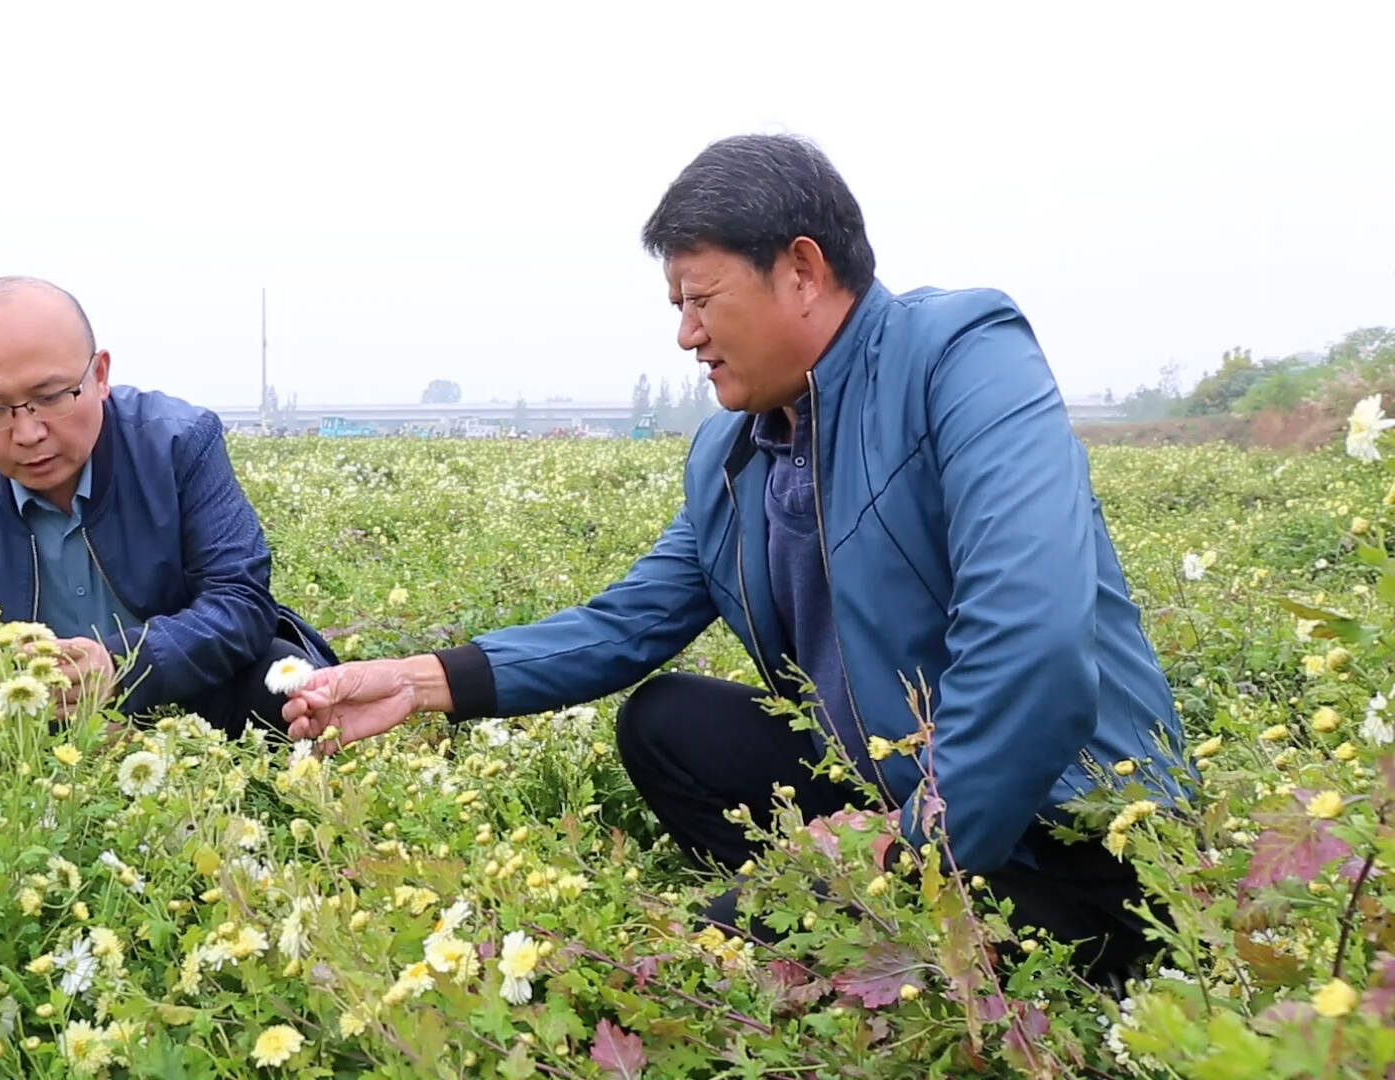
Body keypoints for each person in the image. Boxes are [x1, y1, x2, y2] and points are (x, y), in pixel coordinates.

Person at [282, 135, 1184, 982]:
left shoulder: (958, 356)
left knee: (727, 954)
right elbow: (627, 623)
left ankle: (946, 923)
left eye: (702, 300)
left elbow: (1033, 638)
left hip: (1065, 821)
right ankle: (880, 919)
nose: (686, 335)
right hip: (886, 783)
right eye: (678, 307)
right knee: (667, 722)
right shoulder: (734, 455)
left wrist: (907, 858)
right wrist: (416, 681)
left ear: (800, 270)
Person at [0, 276, 335, 736]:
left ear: (100, 374)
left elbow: (241, 603)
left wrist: (122, 666)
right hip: (37, 727)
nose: (27, 433)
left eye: (50, 397)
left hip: (188, 701)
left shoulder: (176, 443)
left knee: (288, 684)